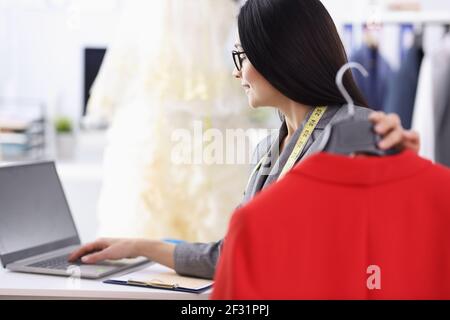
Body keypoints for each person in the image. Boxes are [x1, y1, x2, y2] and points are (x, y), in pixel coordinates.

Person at [69, 0, 420, 280]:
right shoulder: (269, 149)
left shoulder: (352, 130)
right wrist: (137, 246)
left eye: (243, 55)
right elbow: (232, 254)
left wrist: (400, 163)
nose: (236, 71)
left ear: (279, 54)